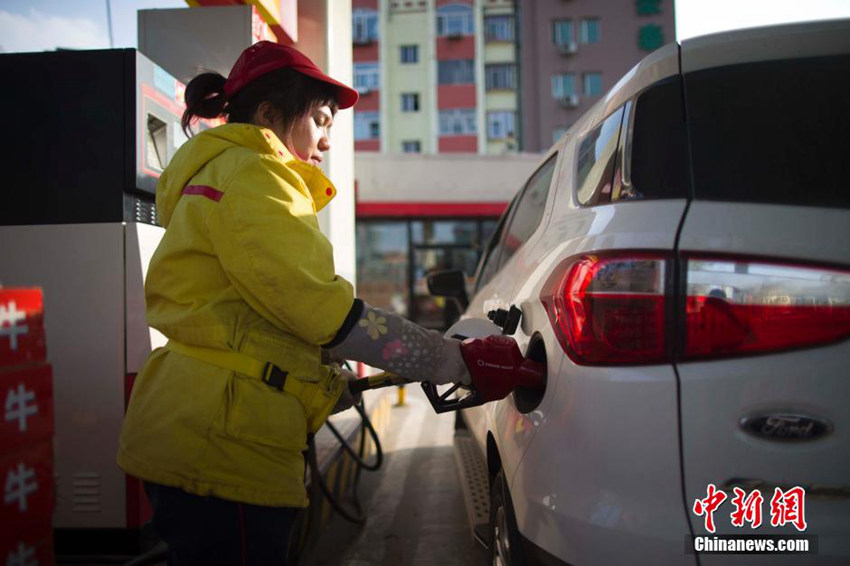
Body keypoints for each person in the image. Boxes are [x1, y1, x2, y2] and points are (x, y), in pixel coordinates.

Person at [118, 41, 529, 566]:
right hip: (223, 445)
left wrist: (320, 384)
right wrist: (456, 361)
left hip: (196, 428)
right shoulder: (256, 177)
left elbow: (256, 316)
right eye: (319, 120)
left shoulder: (219, 174)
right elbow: (327, 315)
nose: (327, 141)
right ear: (269, 116)